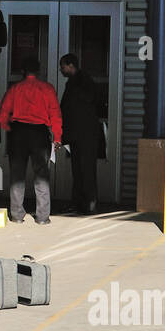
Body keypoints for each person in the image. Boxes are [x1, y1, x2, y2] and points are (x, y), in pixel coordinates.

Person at [0, 55, 61, 225]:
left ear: (23, 71)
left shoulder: (15, 88)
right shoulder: (47, 88)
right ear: (38, 71)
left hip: (19, 132)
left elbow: (3, 113)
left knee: (17, 175)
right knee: (42, 176)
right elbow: (55, 114)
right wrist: (57, 137)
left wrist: (9, 128)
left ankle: (17, 215)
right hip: (39, 133)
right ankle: (42, 217)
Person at [59, 52, 101, 215]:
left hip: (83, 134)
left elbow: (75, 106)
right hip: (82, 134)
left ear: (70, 66)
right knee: (80, 169)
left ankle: (88, 203)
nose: (61, 70)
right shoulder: (80, 81)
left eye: (63, 66)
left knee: (84, 169)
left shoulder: (79, 83)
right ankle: (82, 203)